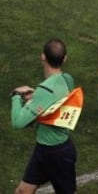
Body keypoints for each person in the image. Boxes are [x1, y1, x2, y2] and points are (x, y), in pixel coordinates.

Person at [11, 38, 78, 194]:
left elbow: (18, 122)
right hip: (44, 150)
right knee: (23, 191)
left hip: (57, 154)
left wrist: (16, 96)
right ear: (65, 59)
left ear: (43, 57)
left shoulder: (44, 91)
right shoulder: (68, 80)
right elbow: (54, 98)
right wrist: (36, 96)